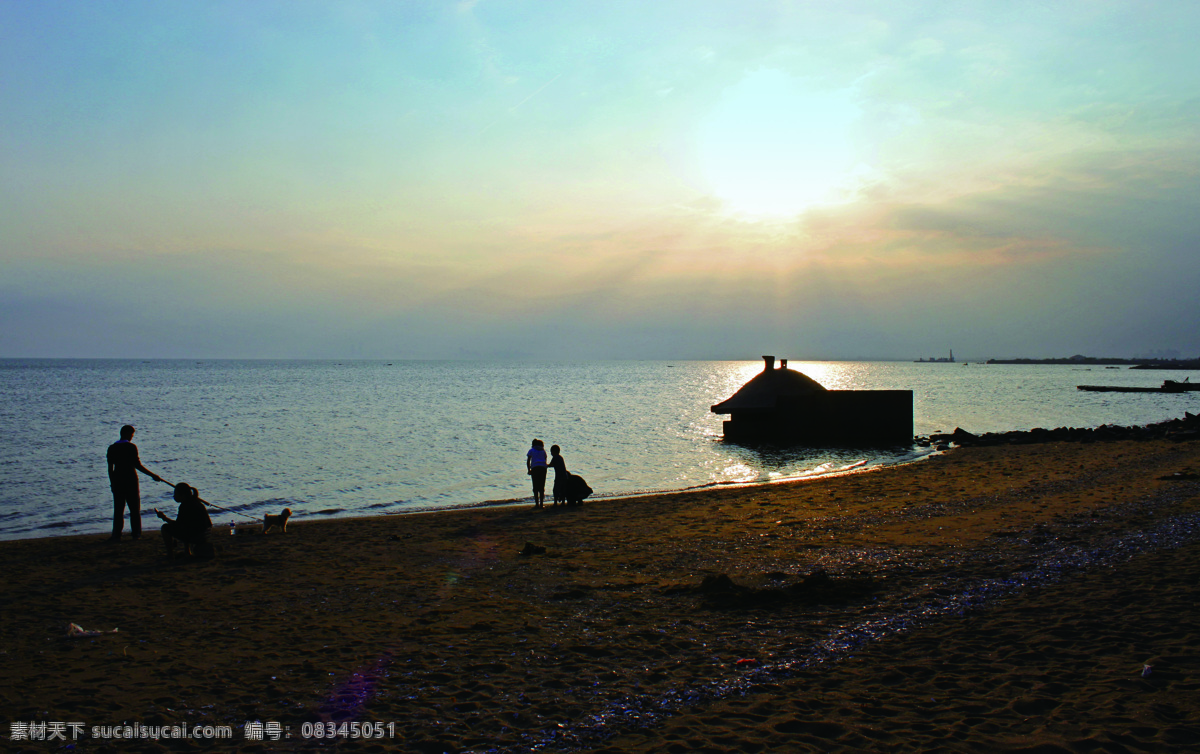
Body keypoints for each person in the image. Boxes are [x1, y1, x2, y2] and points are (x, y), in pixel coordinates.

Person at [106, 425, 163, 541]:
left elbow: (110, 469)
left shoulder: (112, 448)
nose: (132, 437)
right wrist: (153, 475)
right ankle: (136, 534)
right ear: (127, 434)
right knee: (134, 509)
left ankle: (116, 535)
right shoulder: (131, 447)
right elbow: (137, 465)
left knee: (118, 509)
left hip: (117, 481)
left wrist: (112, 483)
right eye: (132, 435)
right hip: (131, 480)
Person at [155, 483, 213, 558]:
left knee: (165, 528)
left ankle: (170, 554)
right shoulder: (197, 502)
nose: (174, 496)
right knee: (187, 526)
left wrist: (164, 518)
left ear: (183, 495)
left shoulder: (185, 506)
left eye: (176, 494)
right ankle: (187, 551)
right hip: (206, 534)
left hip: (197, 536)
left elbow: (178, 525)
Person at [526, 439, 548, 508]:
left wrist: (529, 469)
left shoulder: (531, 450)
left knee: (535, 486)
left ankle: (537, 504)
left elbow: (528, 460)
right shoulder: (543, 451)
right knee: (541, 486)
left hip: (535, 468)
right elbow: (545, 459)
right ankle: (541, 504)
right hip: (543, 468)